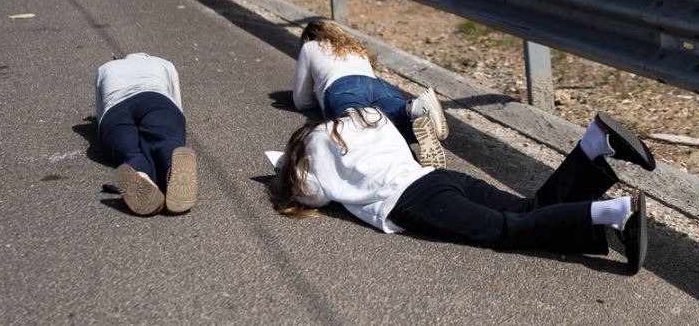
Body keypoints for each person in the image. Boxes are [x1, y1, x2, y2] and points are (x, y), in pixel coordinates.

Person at [269, 109, 654, 274]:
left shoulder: (312, 148)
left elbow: (313, 194)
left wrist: (286, 170)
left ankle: (616, 214)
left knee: (507, 230)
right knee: (529, 208)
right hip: (435, 177)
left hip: (411, 200)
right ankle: (592, 144)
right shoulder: (366, 117)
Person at [292, 20, 449, 167]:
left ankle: (409, 167)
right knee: (388, 124)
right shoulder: (354, 46)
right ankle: (414, 109)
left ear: (309, 37)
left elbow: (302, 101)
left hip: (342, 87)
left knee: (354, 131)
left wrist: (318, 95)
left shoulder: (310, 46)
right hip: (379, 86)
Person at [95, 52, 198, 216]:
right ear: (147, 56)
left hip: (115, 109)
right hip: (156, 100)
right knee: (165, 139)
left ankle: (141, 173)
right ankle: (171, 164)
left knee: (130, 151)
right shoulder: (164, 63)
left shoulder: (105, 68)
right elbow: (176, 101)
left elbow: (101, 113)